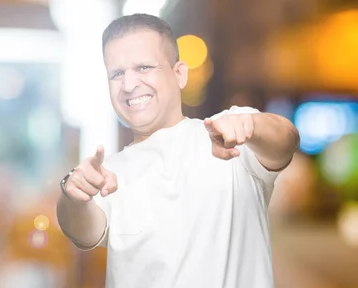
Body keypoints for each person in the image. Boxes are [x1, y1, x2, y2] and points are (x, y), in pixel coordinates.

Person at [56, 14, 300, 288]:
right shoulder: (108, 173)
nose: (128, 84)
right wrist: (73, 194)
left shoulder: (230, 136)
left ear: (179, 73)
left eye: (144, 67)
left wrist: (252, 125)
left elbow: (286, 141)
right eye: (117, 73)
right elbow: (82, 233)